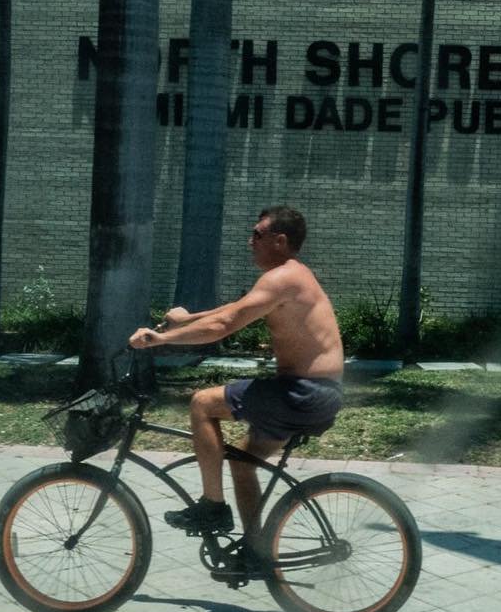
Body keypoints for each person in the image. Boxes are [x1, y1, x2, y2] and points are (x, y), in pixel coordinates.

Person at [129, 206, 344, 537]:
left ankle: (212, 507)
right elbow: (235, 309)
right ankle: (256, 551)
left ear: (280, 240)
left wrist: (161, 339)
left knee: (203, 403)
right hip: (313, 394)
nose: (250, 241)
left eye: (257, 234)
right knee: (243, 462)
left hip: (302, 393)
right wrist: (187, 320)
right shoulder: (290, 275)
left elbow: (225, 325)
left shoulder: (282, 277)